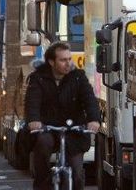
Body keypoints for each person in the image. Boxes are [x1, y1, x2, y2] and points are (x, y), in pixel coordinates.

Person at [25, 41, 101, 190]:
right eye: (63, 60)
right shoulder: (38, 78)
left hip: (74, 130)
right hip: (48, 128)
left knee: (77, 173)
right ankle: (42, 183)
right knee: (42, 143)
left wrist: (94, 119)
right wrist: (34, 120)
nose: (68, 63)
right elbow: (32, 102)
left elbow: (89, 99)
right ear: (51, 62)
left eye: (69, 59)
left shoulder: (78, 77)